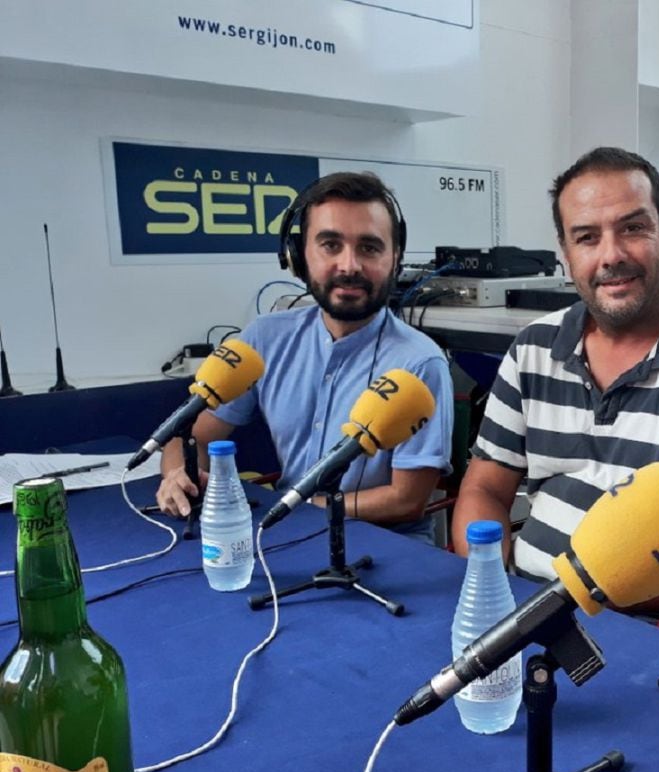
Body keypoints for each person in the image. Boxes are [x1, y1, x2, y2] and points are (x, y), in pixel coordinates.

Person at [450, 147, 659, 611]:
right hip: (519, 602)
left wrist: (575, 599)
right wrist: (492, 583)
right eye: (587, 237)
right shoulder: (534, 346)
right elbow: (484, 490)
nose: (611, 255)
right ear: (566, 253)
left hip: (636, 625)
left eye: (633, 228)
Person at [156, 172, 453, 542]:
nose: (349, 265)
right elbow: (190, 437)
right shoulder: (264, 338)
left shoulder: (420, 363)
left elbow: (405, 500)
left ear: (395, 259)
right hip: (286, 532)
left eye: (370, 247)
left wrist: (300, 506)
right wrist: (177, 476)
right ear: (298, 256)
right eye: (330, 245)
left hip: (382, 542)